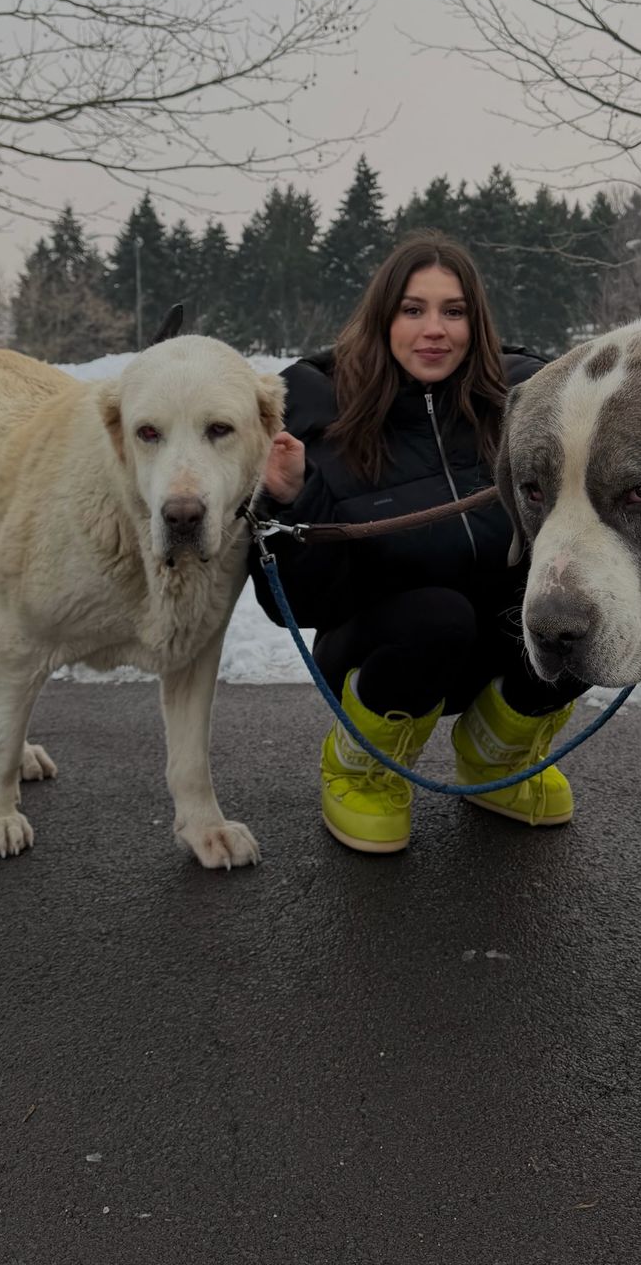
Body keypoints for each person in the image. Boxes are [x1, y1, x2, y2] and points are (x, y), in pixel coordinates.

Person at [250, 232, 581, 854]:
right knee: (438, 615)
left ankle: (496, 753)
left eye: (453, 311)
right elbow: (296, 603)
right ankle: (360, 764)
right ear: (383, 318)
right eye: (413, 310)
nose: (435, 330)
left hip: (494, 646)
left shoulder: (524, 400)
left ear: (475, 322)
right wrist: (289, 498)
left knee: (586, 609)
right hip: (380, 650)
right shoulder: (315, 410)